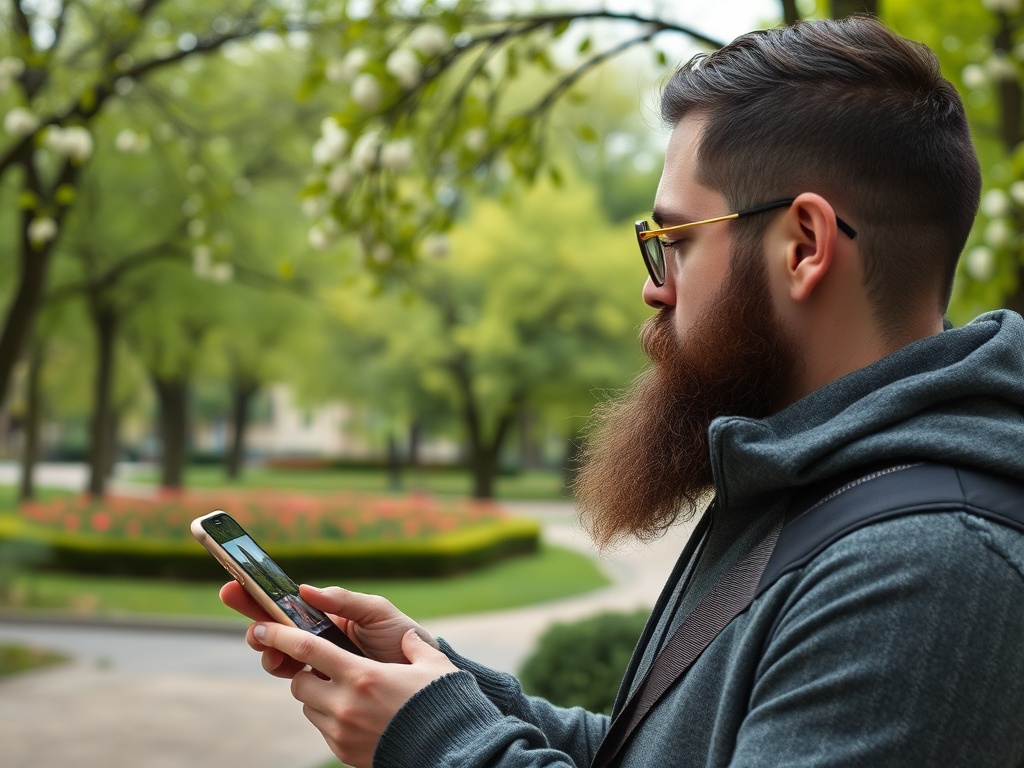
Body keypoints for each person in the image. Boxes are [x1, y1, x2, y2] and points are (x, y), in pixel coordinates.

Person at [221, 16, 1024, 767]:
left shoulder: (926, 563)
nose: (654, 288)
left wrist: (435, 740)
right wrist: (438, 684)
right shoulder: (813, 483)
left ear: (804, 245)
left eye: (672, 240)